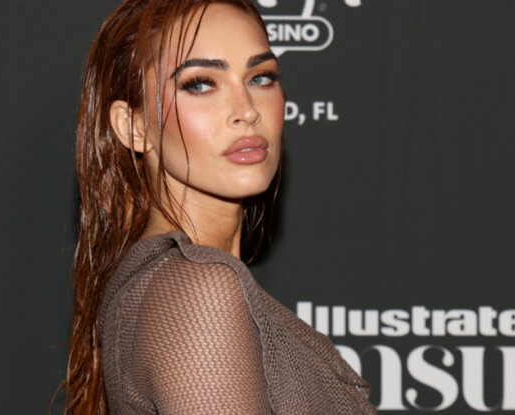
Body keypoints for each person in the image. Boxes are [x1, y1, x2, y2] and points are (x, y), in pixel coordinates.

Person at [63, 0, 377, 414]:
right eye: (200, 84)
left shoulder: (173, 285)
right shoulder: (198, 294)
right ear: (133, 126)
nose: (247, 110)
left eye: (261, 77)